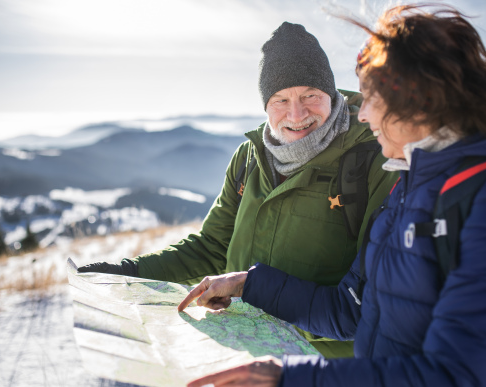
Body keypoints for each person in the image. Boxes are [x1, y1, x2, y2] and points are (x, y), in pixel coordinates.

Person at [178, 4, 486, 386]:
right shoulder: (410, 187)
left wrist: (290, 379)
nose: (363, 114)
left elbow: (455, 374)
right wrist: (246, 284)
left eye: (372, 98)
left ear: (419, 100)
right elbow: (350, 310)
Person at [77, 21, 398, 358]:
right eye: (280, 99)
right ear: (264, 104)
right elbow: (212, 247)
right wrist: (128, 274)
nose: (297, 113)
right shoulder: (250, 157)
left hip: (324, 368)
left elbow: (365, 303)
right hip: (242, 356)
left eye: (310, 96)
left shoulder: (374, 161)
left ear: (330, 95)